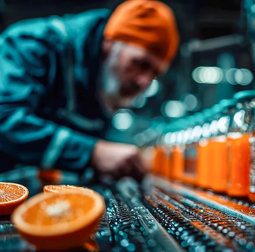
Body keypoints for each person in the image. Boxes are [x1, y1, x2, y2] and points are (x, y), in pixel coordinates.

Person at [0, 0, 179, 180]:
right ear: (110, 43)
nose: (144, 81)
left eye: (155, 74)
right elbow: (5, 118)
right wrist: (93, 153)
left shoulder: (102, 84)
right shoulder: (32, 45)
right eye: (140, 64)